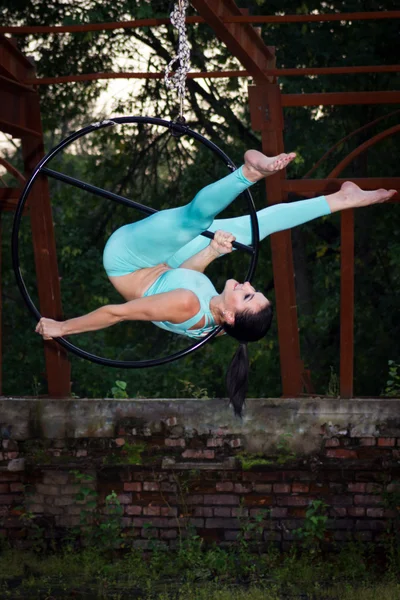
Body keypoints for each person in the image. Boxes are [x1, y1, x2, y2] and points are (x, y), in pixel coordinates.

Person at [35, 150, 396, 415]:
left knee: (193, 220)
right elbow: (183, 276)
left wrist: (62, 328)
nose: (247, 285)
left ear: (231, 317)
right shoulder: (213, 313)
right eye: (254, 291)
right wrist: (211, 252)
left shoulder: (188, 307)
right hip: (162, 266)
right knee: (252, 230)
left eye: (247, 296)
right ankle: (341, 199)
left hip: (127, 259)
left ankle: (248, 174)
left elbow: (116, 313)